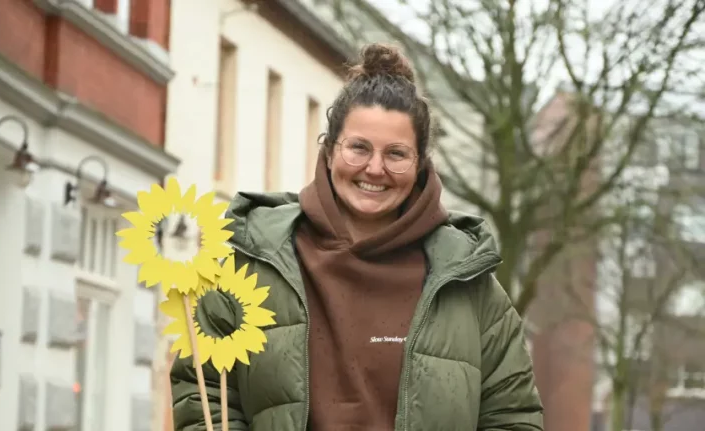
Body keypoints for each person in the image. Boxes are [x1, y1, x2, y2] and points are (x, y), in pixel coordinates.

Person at [170, 43, 543, 431]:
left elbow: (512, 416)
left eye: (396, 154)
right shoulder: (251, 260)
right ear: (330, 152)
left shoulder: (470, 285)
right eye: (359, 148)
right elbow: (204, 395)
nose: (375, 168)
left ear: (419, 167)